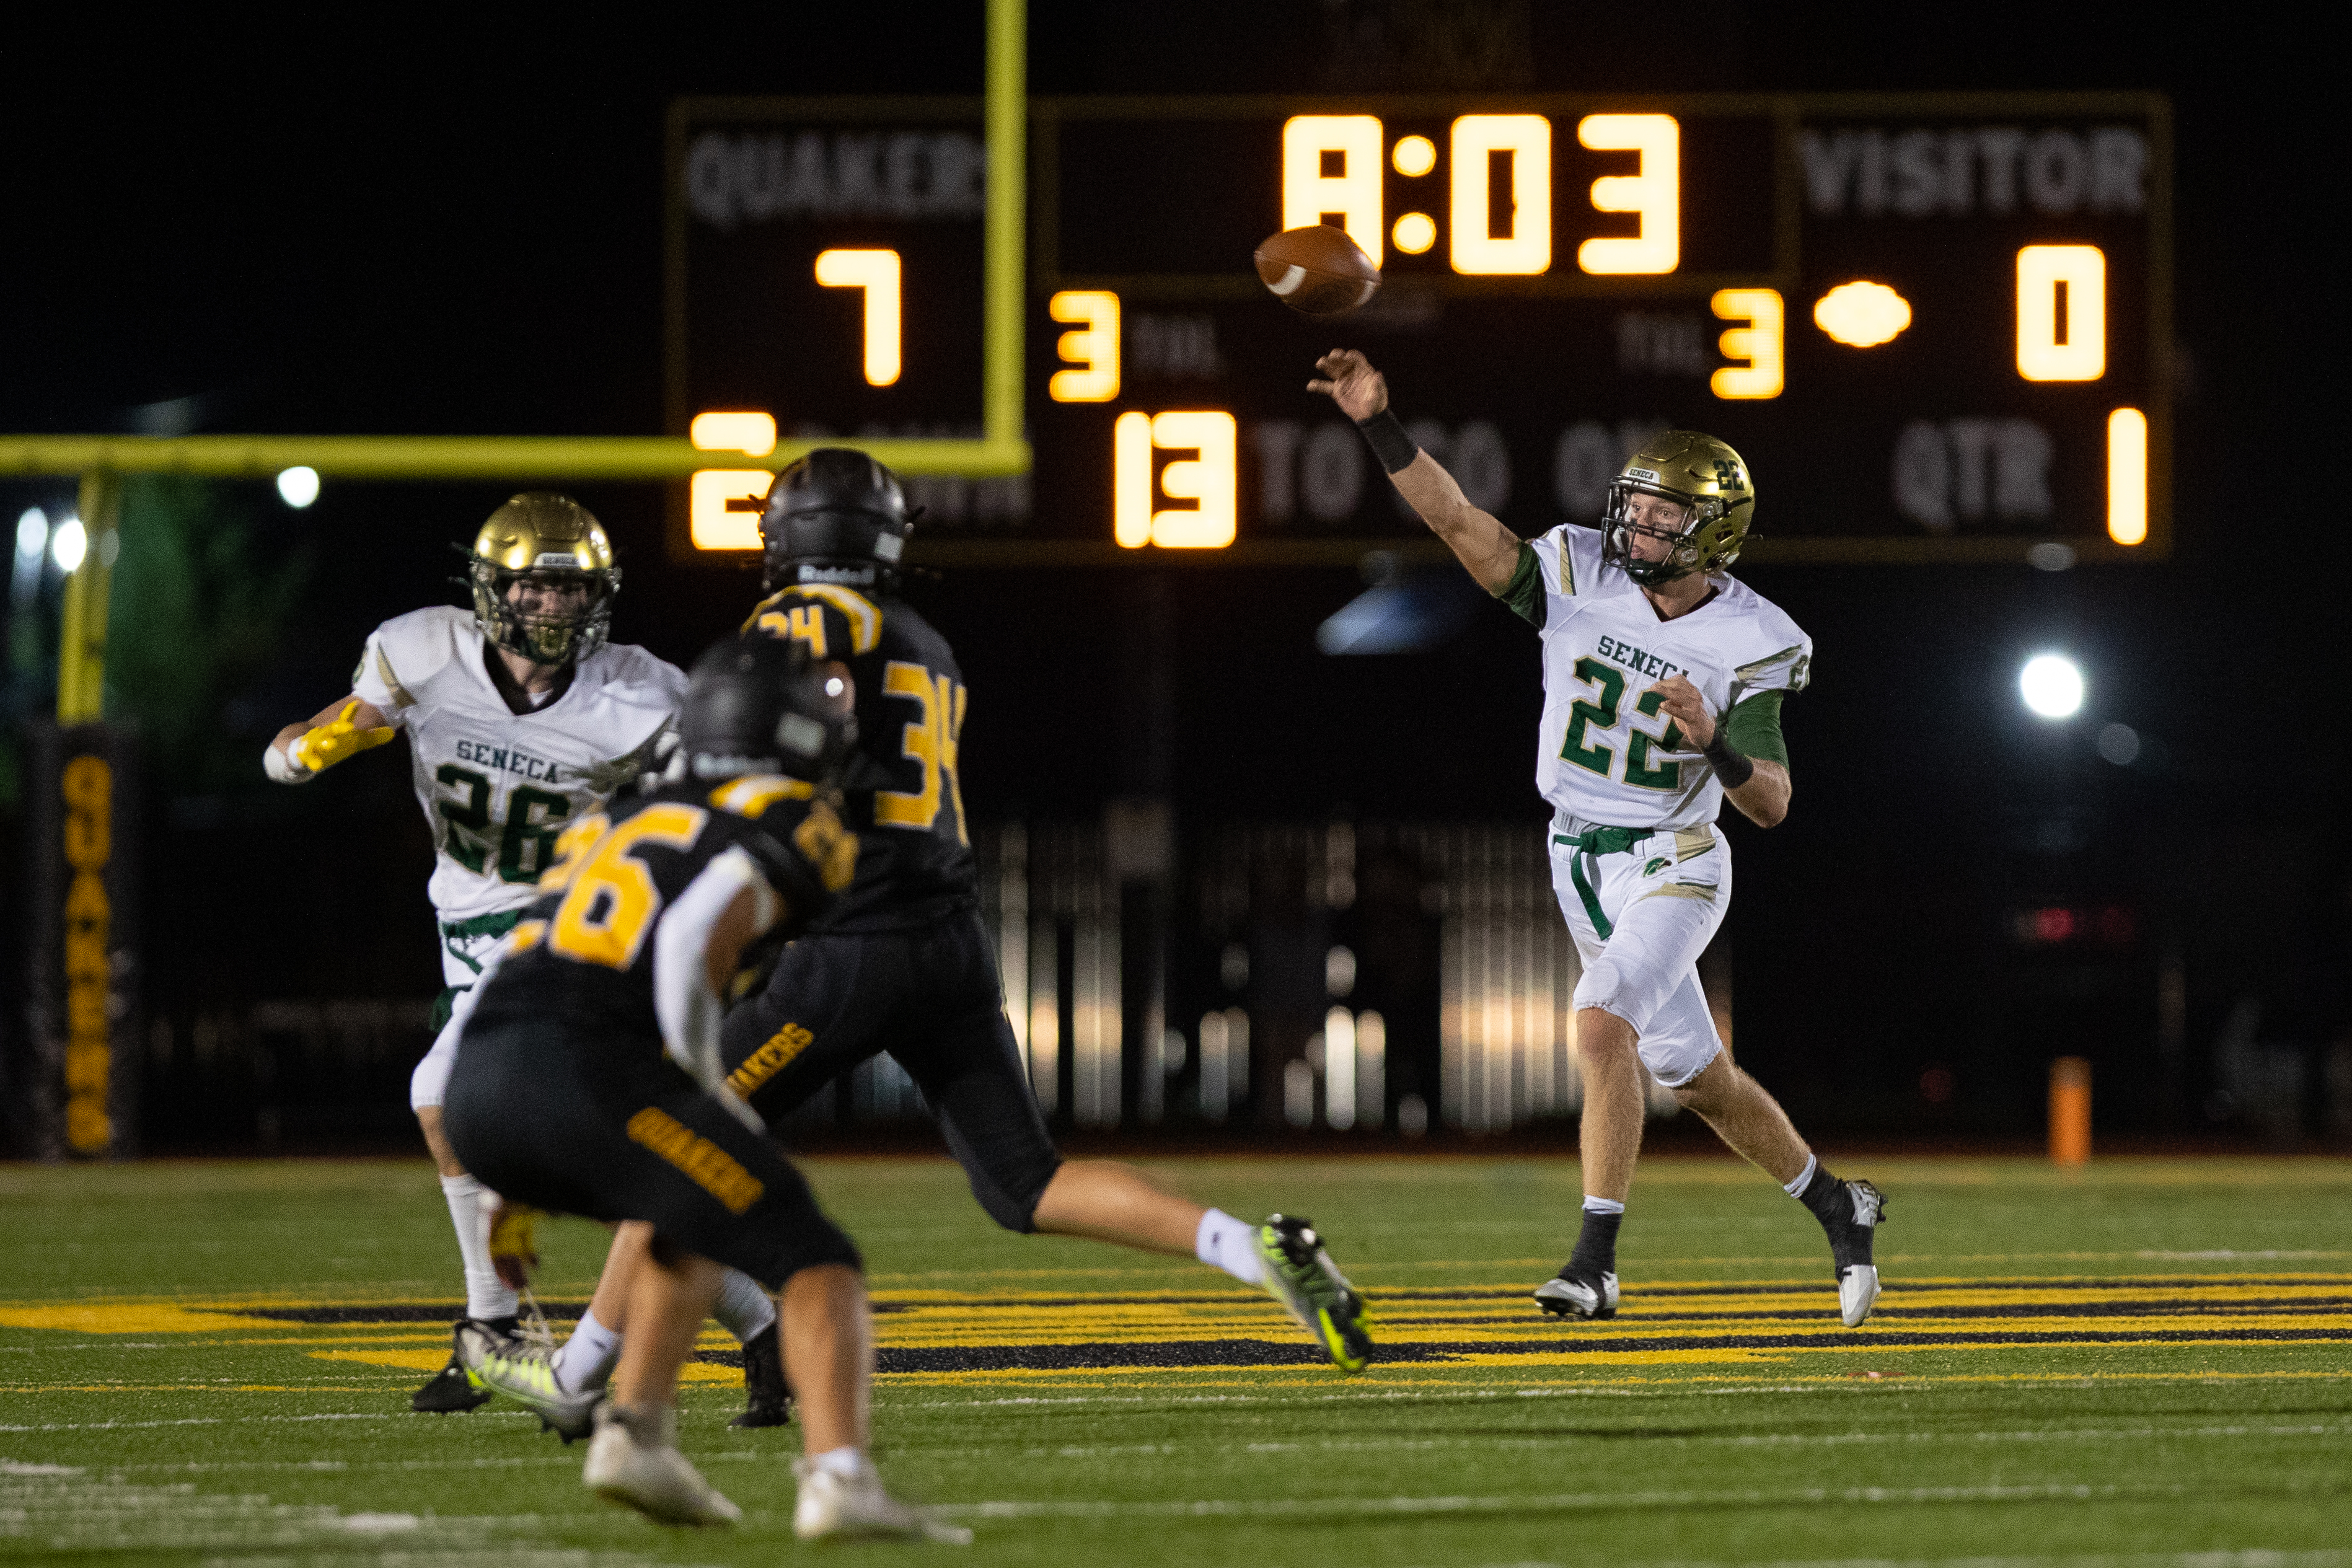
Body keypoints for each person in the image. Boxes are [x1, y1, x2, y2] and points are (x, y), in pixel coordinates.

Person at [507, 451, 1372, 1420]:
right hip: (949, 943)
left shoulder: (795, 623)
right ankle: (1250, 1247)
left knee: (675, 1133)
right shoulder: (927, 641)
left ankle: (578, 1378)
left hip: (848, 947)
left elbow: (791, 743)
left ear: (792, 535)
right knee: (1024, 1181)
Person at [1307, 350, 1887, 1328]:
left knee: (1598, 1020)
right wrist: (1379, 420)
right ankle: (1841, 1202)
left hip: (1678, 858)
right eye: (1639, 506)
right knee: (1699, 1083)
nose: (1641, 526)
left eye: (1667, 515)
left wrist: (1716, 744)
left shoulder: (1756, 638)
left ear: (1716, 534)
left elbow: (1775, 802)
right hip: (1576, 855)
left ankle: (1596, 1261)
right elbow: (1456, 520)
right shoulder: (1579, 572)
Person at [265, 494, 783, 1414]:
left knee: (439, 1092)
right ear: (491, 589)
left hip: (571, 933)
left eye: (572, 588)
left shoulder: (641, 695)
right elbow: (311, 736)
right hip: (466, 935)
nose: (555, 606)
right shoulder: (423, 651)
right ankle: (761, 1323)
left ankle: (494, 1331)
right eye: (536, 587)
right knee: (599, 1161)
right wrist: (306, 750)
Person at [443, 636, 964, 1541]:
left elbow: (524, 962)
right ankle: (841, 1479)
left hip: (482, 1078)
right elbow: (692, 942)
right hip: (590, 1067)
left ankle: (635, 1431)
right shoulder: (790, 817)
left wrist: (505, 1178)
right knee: (814, 1253)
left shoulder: (621, 812)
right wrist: (693, 1085)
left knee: (688, 1213)